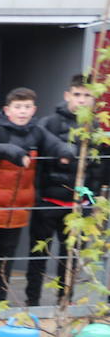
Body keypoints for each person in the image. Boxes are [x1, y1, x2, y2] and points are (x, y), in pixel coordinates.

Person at [0, 87, 75, 305]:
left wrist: (66, 152)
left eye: (27, 107)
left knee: (7, 258)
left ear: (34, 110)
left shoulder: (36, 132)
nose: (22, 112)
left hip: (18, 210)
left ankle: (0, 300)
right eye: (18, 107)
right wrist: (11, 151)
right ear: (7, 110)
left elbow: (55, 144)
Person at [26, 74, 103, 305]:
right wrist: (37, 197)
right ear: (67, 95)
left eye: (87, 95)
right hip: (48, 202)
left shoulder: (96, 129)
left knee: (70, 257)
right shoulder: (48, 123)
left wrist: (92, 201)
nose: (81, 100)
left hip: (79, 207)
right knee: (38, 255)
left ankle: (64, 302)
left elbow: (99, 170)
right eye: (77, 94)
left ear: (94, 99)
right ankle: (32, 303)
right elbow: (37, 165)